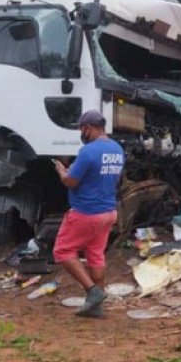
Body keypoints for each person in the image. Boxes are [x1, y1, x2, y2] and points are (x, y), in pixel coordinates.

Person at [52, 110, 125, 317]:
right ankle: (96, 307)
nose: (80, 133)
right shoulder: (117, 149)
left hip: (86, 212)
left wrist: (61, 171)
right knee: (95, 255)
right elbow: (110, 177)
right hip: (108, 212)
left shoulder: (88, 151)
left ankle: (92, 292)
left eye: (81, 129)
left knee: (63, 251)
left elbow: (70, 182)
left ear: (88, 128)